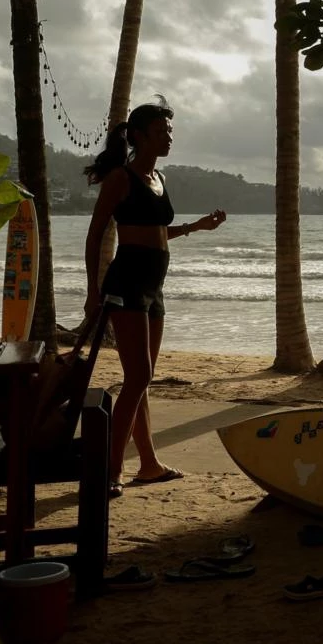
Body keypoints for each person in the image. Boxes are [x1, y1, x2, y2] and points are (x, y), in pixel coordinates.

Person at [84, 99, 226, 497]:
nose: (169, 137)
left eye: (170, 131)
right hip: (125, 282)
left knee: (140, 379)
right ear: (138, 136)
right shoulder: (121, 179)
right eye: (162, 131)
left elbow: (157, 233)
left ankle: (148, 465)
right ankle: (109, 472)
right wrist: (92, 292)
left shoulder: (159, 178)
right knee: (139, 377)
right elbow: (96, 235)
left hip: (153, 286)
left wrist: (196, 227)